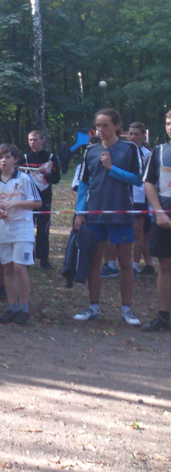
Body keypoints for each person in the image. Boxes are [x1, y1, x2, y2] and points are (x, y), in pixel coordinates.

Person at [72, 108, 143, 326]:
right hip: (94, 214)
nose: (100, 130)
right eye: (98, 125)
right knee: (95, 262)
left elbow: (137, 179)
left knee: (125, 263)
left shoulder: (129, 149)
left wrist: (112, 169)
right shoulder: (90, 151)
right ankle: (93, 307)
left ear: (116, 126)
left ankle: (127, 309)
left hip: (121, 213)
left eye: (105, 125)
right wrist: (80, 213)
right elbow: (83, 184)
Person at [0, 143, 42, 325]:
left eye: (7, 157)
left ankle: (24, 308)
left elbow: (37, 203)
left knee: (20, 267)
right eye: (0, 157)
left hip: (22, 229)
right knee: (7, 268)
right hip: (4, 230)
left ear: (15, 160)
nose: (3, 161)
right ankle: (12, 307)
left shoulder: (24, 178)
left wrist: (15, 204)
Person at [142, 109, 171, 332]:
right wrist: (159, 212)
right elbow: (149, 183)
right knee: (165, 265)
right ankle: (164, 316)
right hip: (164, 216)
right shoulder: (159, 151)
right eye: (169, 123)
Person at [21, 130, 61, 270]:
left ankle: (44, 259)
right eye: (30, 140)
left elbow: (56, 179)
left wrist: (46, 175)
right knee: (27, 229)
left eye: (35, 140)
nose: (32, 143)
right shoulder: (25, 158)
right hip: (28, 199)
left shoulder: (50, 157)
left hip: (44, 199)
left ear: (42, 141)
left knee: (43, 229)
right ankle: (28, 258)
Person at [127, 122, 154, 276]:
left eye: (136, 134)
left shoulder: (148, 154)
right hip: (123, 195)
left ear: (143, 136)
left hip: (140, 196)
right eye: (130, 134)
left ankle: (135, 265)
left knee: (139, 231)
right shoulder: (123, 150)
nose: (133, 137)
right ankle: (112, 263)